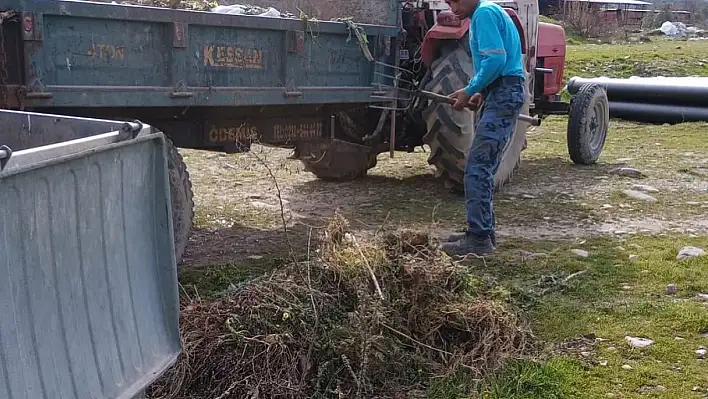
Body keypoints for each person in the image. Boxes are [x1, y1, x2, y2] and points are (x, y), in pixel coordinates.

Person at [439, 0, 526, 256]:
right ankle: (483, 232)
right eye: (446, 2)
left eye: (454, 1)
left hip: (504, 92)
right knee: (482, 167)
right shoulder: (489, 11)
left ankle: (479, 239)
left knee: (477, 168)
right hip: (500, 91)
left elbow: (495, 61)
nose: (451, 8)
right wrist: (482, 92)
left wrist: (469, 90)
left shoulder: (484, 14)